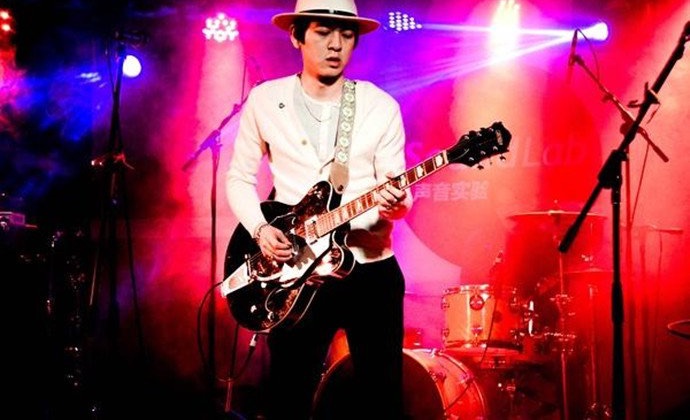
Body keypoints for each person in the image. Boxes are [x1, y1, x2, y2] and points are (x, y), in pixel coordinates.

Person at [224, 0, 412, 418]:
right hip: (297, 272)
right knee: (287, 399)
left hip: (370, 271)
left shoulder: (379, 105)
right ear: (297, 36)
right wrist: (259, 229)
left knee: (382, 401)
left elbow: (396, 189)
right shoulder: (265, 99)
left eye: (346, 34)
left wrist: (398, 203)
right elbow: (239, 178)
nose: (336, 44)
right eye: (323, 32)